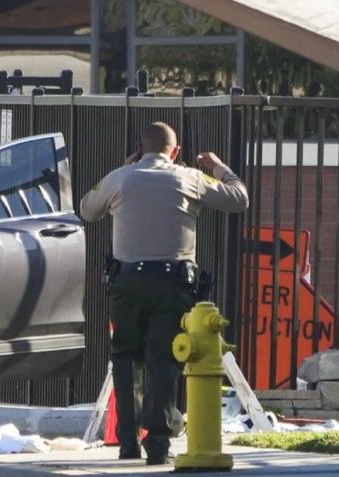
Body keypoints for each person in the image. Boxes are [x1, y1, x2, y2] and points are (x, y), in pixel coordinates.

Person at [80, 122, 249, 465]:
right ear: (176, 151)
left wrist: (126, 169)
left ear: (140, 150)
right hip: (172, 284)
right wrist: (217, 166)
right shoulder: (188, 177)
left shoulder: (119, 177)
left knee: (125, 358)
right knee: (163, 358)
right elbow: (239, 198)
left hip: (126, 283)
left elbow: (86, 209)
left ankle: (126, 440)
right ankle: (157, 442)